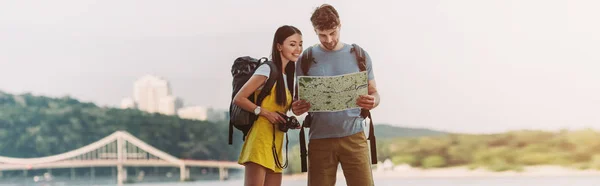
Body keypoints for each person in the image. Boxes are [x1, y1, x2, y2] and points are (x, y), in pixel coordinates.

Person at [291, 4, 380, 186]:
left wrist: (373, 101)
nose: (329, 39)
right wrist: (296, 108)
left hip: (354, 136)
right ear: (315, 31)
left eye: (333, 32)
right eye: (322, 35)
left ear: (340, 25)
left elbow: (375, 93)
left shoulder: (360, 55)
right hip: (319, 139)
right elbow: (296, 102)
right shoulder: (305, 59)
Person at [233, 25, 303, 186]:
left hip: (276, 142)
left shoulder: (289, 76)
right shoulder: (267, 70)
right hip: (260, 140)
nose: (298, 49)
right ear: (279, 46)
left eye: (300, 44)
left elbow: (279, 107)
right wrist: (265, 112)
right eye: (292, 44)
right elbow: (239, 98)